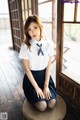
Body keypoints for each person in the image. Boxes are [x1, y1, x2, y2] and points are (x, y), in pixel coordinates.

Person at [19, 14, 57, 112]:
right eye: (29, 29)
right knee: (42, 106)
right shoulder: (25, 46)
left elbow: (48, 66)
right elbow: (27, 69)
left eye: (35, 27)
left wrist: (46, 85)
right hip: (32, 79)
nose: (33, 32)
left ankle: (44, 93)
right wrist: (37, 88)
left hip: (45, 76)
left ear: (40, 27)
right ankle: (34, 97)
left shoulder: (48, 44)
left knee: (51, 104)